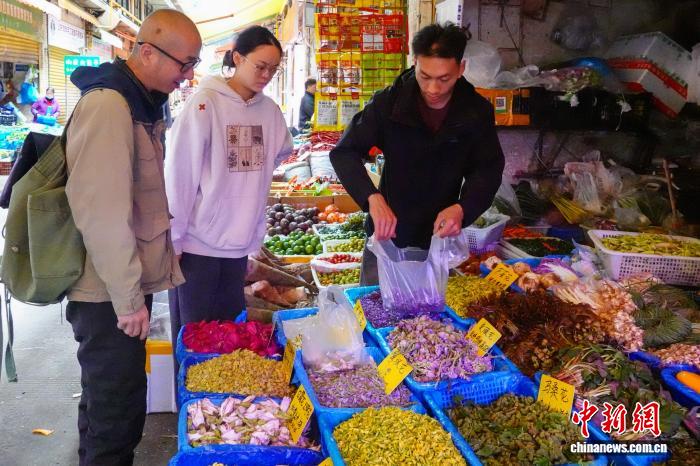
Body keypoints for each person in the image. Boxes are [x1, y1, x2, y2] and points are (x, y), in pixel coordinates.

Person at [64, 9, 201, 465]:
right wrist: (128, 301)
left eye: (193, 65)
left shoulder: (139, 102)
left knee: (106, 404)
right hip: (106, 293)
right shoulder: (109, 105)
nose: (188, 75)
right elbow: (102, 212)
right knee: (116, 414)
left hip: (117, 287)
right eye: (184, 63)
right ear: (147, 52)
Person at [330, 23, 505, 285]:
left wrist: (463, 208)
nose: (433, 88)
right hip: (387, 234)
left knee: (430, 307)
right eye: (425, 76)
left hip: (439, 236)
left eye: (444, 79)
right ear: (415, 62)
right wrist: (372, 199)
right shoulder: (388, 103)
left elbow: (488, 168)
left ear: (461, 68)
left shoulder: (475, 112)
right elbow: (345, 152)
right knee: (373, 303)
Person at [165, 26, 292, 359]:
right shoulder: (204, 104)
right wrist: (174, 239)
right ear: (237, 58)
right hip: (196, 246)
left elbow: (282, 151)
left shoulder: (270, 111)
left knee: (231, 341)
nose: (266, 75)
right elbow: (179, 175)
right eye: (260, 66)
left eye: (273, 69)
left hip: (238, 247)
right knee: (196, 341)